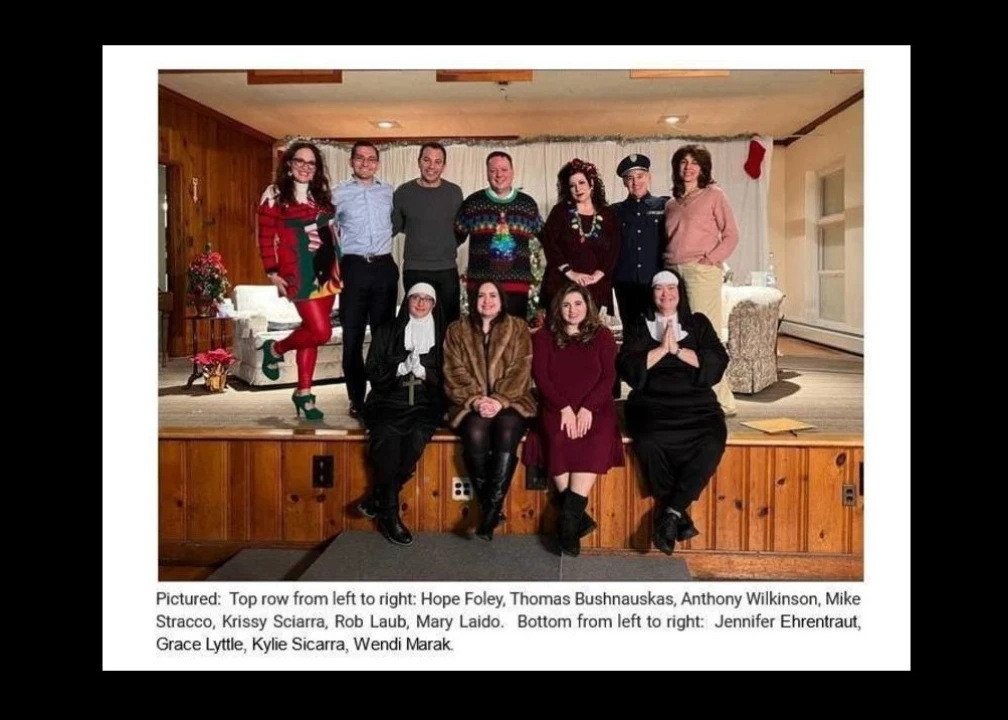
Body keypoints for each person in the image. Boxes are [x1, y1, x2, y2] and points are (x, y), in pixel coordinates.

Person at [617, 270, 728, 555]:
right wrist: (659, 350)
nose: (665, 294)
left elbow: (718, 360)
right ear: (652, 293)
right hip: (650, 405)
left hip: (697, 406)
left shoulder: (698, 323)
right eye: (659, 289)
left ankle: (670, 512)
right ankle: (677, 514)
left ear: (680, 292)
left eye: (671, 288)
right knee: (648, 442)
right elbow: (627, 365)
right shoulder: (639, 325)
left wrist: (677, 350)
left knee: (712, 442)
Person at [523, 284, 624, 556]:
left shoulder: (602, 336)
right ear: (558, 308)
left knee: (595, 438)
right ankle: (575, 518)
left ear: (587, 306)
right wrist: (564, 408)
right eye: (566, 305)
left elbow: (608, 377)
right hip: (556, 406)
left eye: (578, 304)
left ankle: (568, 521)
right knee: (558, 437)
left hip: (596, 407)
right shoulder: (544, 337)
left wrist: (588, 408)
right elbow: (541, 377)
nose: (572, 310)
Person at [442, 280, 537, 541]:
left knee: (506, 428)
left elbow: (521, 368)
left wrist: (498, 400)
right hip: (469, 401)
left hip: (512, 400)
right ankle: (492, 510)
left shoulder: (517, 327)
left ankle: (490, 509)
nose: (487, 301)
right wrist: (476, 401)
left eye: (493, 295)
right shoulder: (457, 330)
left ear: (501, 300)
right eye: (481, 296)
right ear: (473, 300)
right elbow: (454, 370)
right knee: (474, 430)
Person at [256, 141, 341, 420]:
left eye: (311, 163)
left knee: (312, 332)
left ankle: (304, 394)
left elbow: (332, 231)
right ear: (289, 164)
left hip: (327, 270)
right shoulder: (274, 194)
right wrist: (272, 272)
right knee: (321, 331)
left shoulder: (322, 194)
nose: (305, 167)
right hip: (298, 273)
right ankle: (275, 348)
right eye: (300, 161)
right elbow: (265, 236)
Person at [358, 283, 446, 546]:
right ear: (407, 300)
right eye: (415, 297)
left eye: (427, 299)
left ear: (434, 304)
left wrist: (425, 373)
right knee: (386, 435)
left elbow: (451, 376)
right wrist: (398, 369)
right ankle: (390, 513)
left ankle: (379, 498)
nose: (421, 303)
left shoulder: (443, 336)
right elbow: (372, 369)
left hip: (424, 402)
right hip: (389, 399)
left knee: (416, 437)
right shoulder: (387, 331)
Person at [663, 144, 739, 416]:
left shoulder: (714, 194)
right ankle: (691, 395)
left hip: (701, 272)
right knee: (679, 334)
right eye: (683, 162)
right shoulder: (671, 203)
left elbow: (731, 234)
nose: (688, 167)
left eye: (694, 162)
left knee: (706, 335)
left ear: (703, 168)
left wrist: (710, 259)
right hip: (672, 272)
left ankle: (722, 401)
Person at [333, 140, 399, 419]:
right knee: (353, 335)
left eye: (371, 159)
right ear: (351, 162)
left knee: (384, 336)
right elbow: (324, 228)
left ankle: (382, 394)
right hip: (353, 268)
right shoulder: (338, 194)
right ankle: (356, 398)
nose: (365, 163)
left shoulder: (388, 192)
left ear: (377, 164)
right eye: (360, 158)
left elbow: (397, 223)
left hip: (384, 267)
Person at [454, 151, 545, 321]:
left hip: (517, 288)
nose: (499, 175)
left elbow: (547, 239)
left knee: (514, 335)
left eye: (504, 170)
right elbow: (453, 240)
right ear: (487, 173)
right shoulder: (473, 203)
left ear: (512, 172)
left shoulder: (527, 204)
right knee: (479, 335)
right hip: (480, 290)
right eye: (493, 170)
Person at [392, 142, 465, 326]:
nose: (431, 166)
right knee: (417, 323)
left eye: (437, 161)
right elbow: (396, 226)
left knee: (449, 324)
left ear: (444, 166)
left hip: (447, 269)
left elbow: (461, 229)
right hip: (415, 269)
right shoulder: (403, 192)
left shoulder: (454, 193)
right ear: (419, 162)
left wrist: (446, 243)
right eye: (427, 160)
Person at [539, 158, 620, 316]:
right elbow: (550, 245)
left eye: (582, 182)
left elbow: (614, 249)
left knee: (593, 329)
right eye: (572, 185)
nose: (578, 188)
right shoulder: (560, 212)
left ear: (591, 183)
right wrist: (571, 273)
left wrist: (597, 275)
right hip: (562, 284)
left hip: (596, 286)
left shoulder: (608, 215)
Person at [611, 153, 670, 329]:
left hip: (656, 281)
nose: (635, 182)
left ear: (649, 177)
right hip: (625, 283)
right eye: (630, 178)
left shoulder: (664, 205)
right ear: (624, 182)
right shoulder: (615, 211)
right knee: (631, 332)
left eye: (640, 176)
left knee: (658, 331)